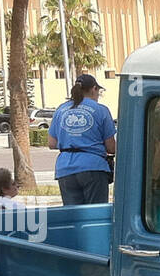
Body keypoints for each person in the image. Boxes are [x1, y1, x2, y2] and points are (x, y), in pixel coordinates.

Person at [48, 73, 116, 205]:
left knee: (73, 217)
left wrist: (71, 140)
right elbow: (111, 148)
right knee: (95, 216)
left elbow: (52, 143)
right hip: (93, 167)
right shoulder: (101, 110)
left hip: (65, 169)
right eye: (98, 91)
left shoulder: (61, 109)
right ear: (93, 89)